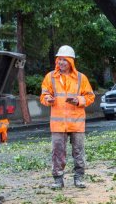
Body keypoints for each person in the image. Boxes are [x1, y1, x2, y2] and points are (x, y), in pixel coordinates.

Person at [40, 45, 95, 189]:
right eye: (59, 60)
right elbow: (44, 95)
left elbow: (90, 97)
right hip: (58, 124)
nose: (61, 63)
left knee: (78, 151)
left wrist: (78, 100)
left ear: (71, 61)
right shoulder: (50, 77)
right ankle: (58, 180)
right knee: (58, 151)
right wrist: (48, 99)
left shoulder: (80, 78)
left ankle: (79, 178)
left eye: (64, 60)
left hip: (76, 122)